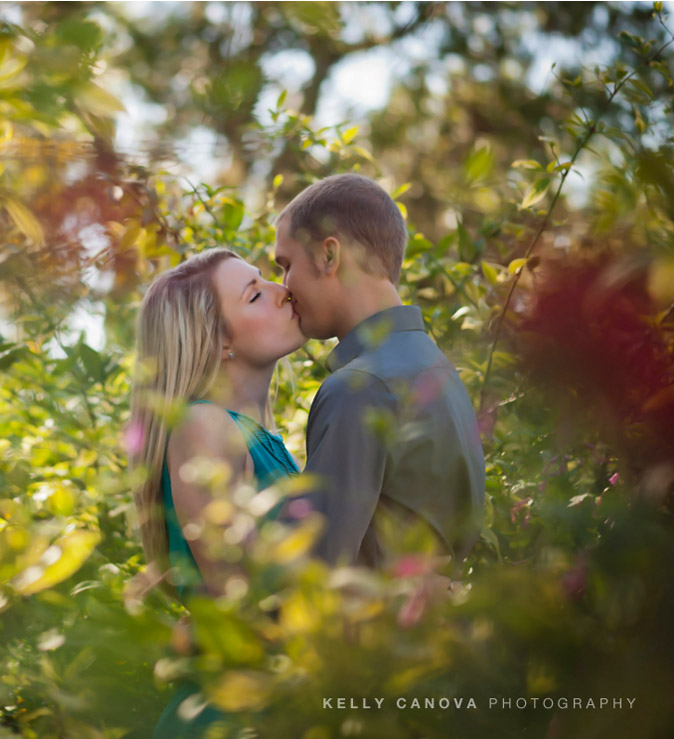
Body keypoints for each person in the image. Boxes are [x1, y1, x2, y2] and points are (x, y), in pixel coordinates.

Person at [127, 247, 305, 737]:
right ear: (218, 339)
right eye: (255, 294)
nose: (283, 290)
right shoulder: (204, 425)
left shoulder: (263, 441)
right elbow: (244, 599)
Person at [271, 173, 485, 570]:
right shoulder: (438, 370)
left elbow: (310, 575)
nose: (283, 287)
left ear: (329, 256)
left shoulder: (359, 387)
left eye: (286, 265)